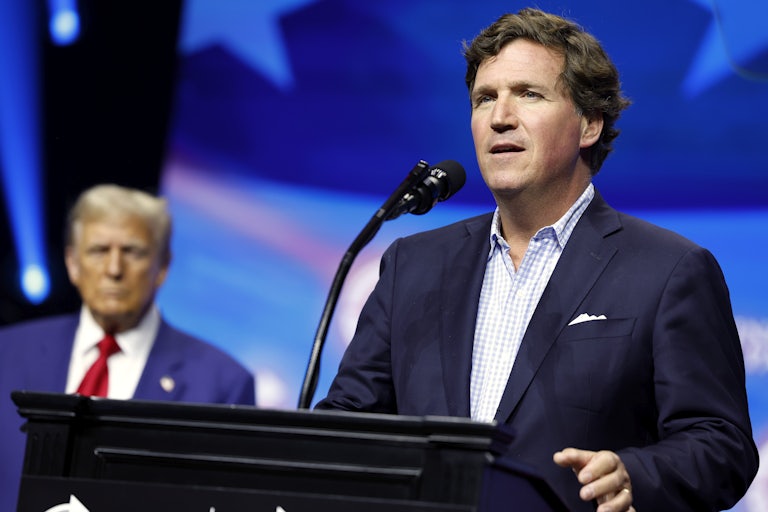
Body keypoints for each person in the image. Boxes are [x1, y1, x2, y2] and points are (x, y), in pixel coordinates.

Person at [316, 8, 758, 512]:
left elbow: (721, 445)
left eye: (528, 94)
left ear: (589, 124)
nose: (500, 116)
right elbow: (347, 423)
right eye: (485, 99)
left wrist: (634, 474)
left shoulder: (670, 270)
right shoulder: (412, 264)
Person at [0, 184, 256, 511]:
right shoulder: (6, 353)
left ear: (162, 266)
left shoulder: (223, 384)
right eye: (98, 250)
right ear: (72, 263)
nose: (114, 270)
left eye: (133, 252)